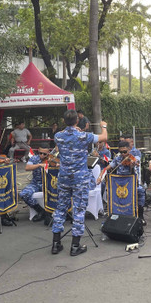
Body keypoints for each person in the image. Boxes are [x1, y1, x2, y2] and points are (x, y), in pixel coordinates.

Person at [51, 109, 108, 256]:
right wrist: (104, 126)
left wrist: (70, 129)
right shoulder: (84, 136)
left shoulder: (58, 136)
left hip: (64, 177)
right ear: (77, 121)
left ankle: (56, 244)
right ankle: (75, 246)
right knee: (79, 210)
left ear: (64, 121)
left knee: (60, 209)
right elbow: (104, 137)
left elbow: (65, 135)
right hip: (80, 179)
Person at [97, 140, 146, 225]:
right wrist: (100, 176)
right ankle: (114, 216)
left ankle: (140, 216)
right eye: (121, 152)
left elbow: (136, 162)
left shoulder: (133, 157)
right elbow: (107, 168)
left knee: (141, 191)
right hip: (120, 184)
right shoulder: (118, 158)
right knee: (111, 193)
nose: (123, 154)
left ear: (129, 150)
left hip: (132, 184)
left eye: (125, 152)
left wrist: (133, 163)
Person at [21, 144, 51, 224]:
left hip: (48, 184)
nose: (42, 155)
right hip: (36, 183)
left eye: (44, 154)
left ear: (48, 153)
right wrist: (38, 165)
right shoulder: (34, 158)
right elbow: (27, 167)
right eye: (40, 153)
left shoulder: (52, 159)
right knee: (24, 194)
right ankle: (41, 211)